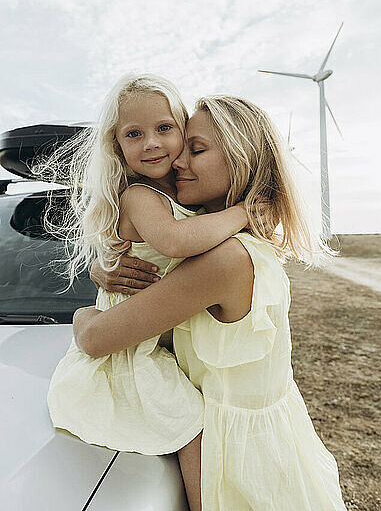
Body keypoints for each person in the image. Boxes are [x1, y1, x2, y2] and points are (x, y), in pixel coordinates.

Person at [74, 95, 347, 511]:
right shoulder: (237, 243)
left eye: (195, 150)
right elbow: (163, 266)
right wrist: (105, 267)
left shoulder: (223, 260)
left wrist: (82, 312)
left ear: (240, 159)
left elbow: (95, 338)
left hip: (235, 458)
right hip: (269, 438)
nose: (177, 162)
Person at [41, 73, 249, 460]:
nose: (151, 143)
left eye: (164, 128)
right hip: (129, 344)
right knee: (190, 426)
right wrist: (243, 213)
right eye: (133, 134)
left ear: (184, 132)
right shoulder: (139, 195)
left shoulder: (192, 196)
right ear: (117, 147)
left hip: (153, 334)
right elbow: (174, 241)